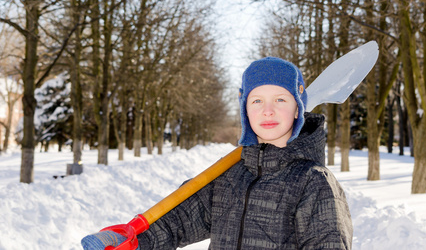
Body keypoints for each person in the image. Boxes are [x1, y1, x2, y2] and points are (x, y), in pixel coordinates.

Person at [82, 57, 353, 250]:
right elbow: (177, 222)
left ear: (298, 109)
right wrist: (132, 240)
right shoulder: (229, 177)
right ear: (245, 110)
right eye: (256, 100)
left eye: (280, 99)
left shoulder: (313, 181)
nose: (267, 110)